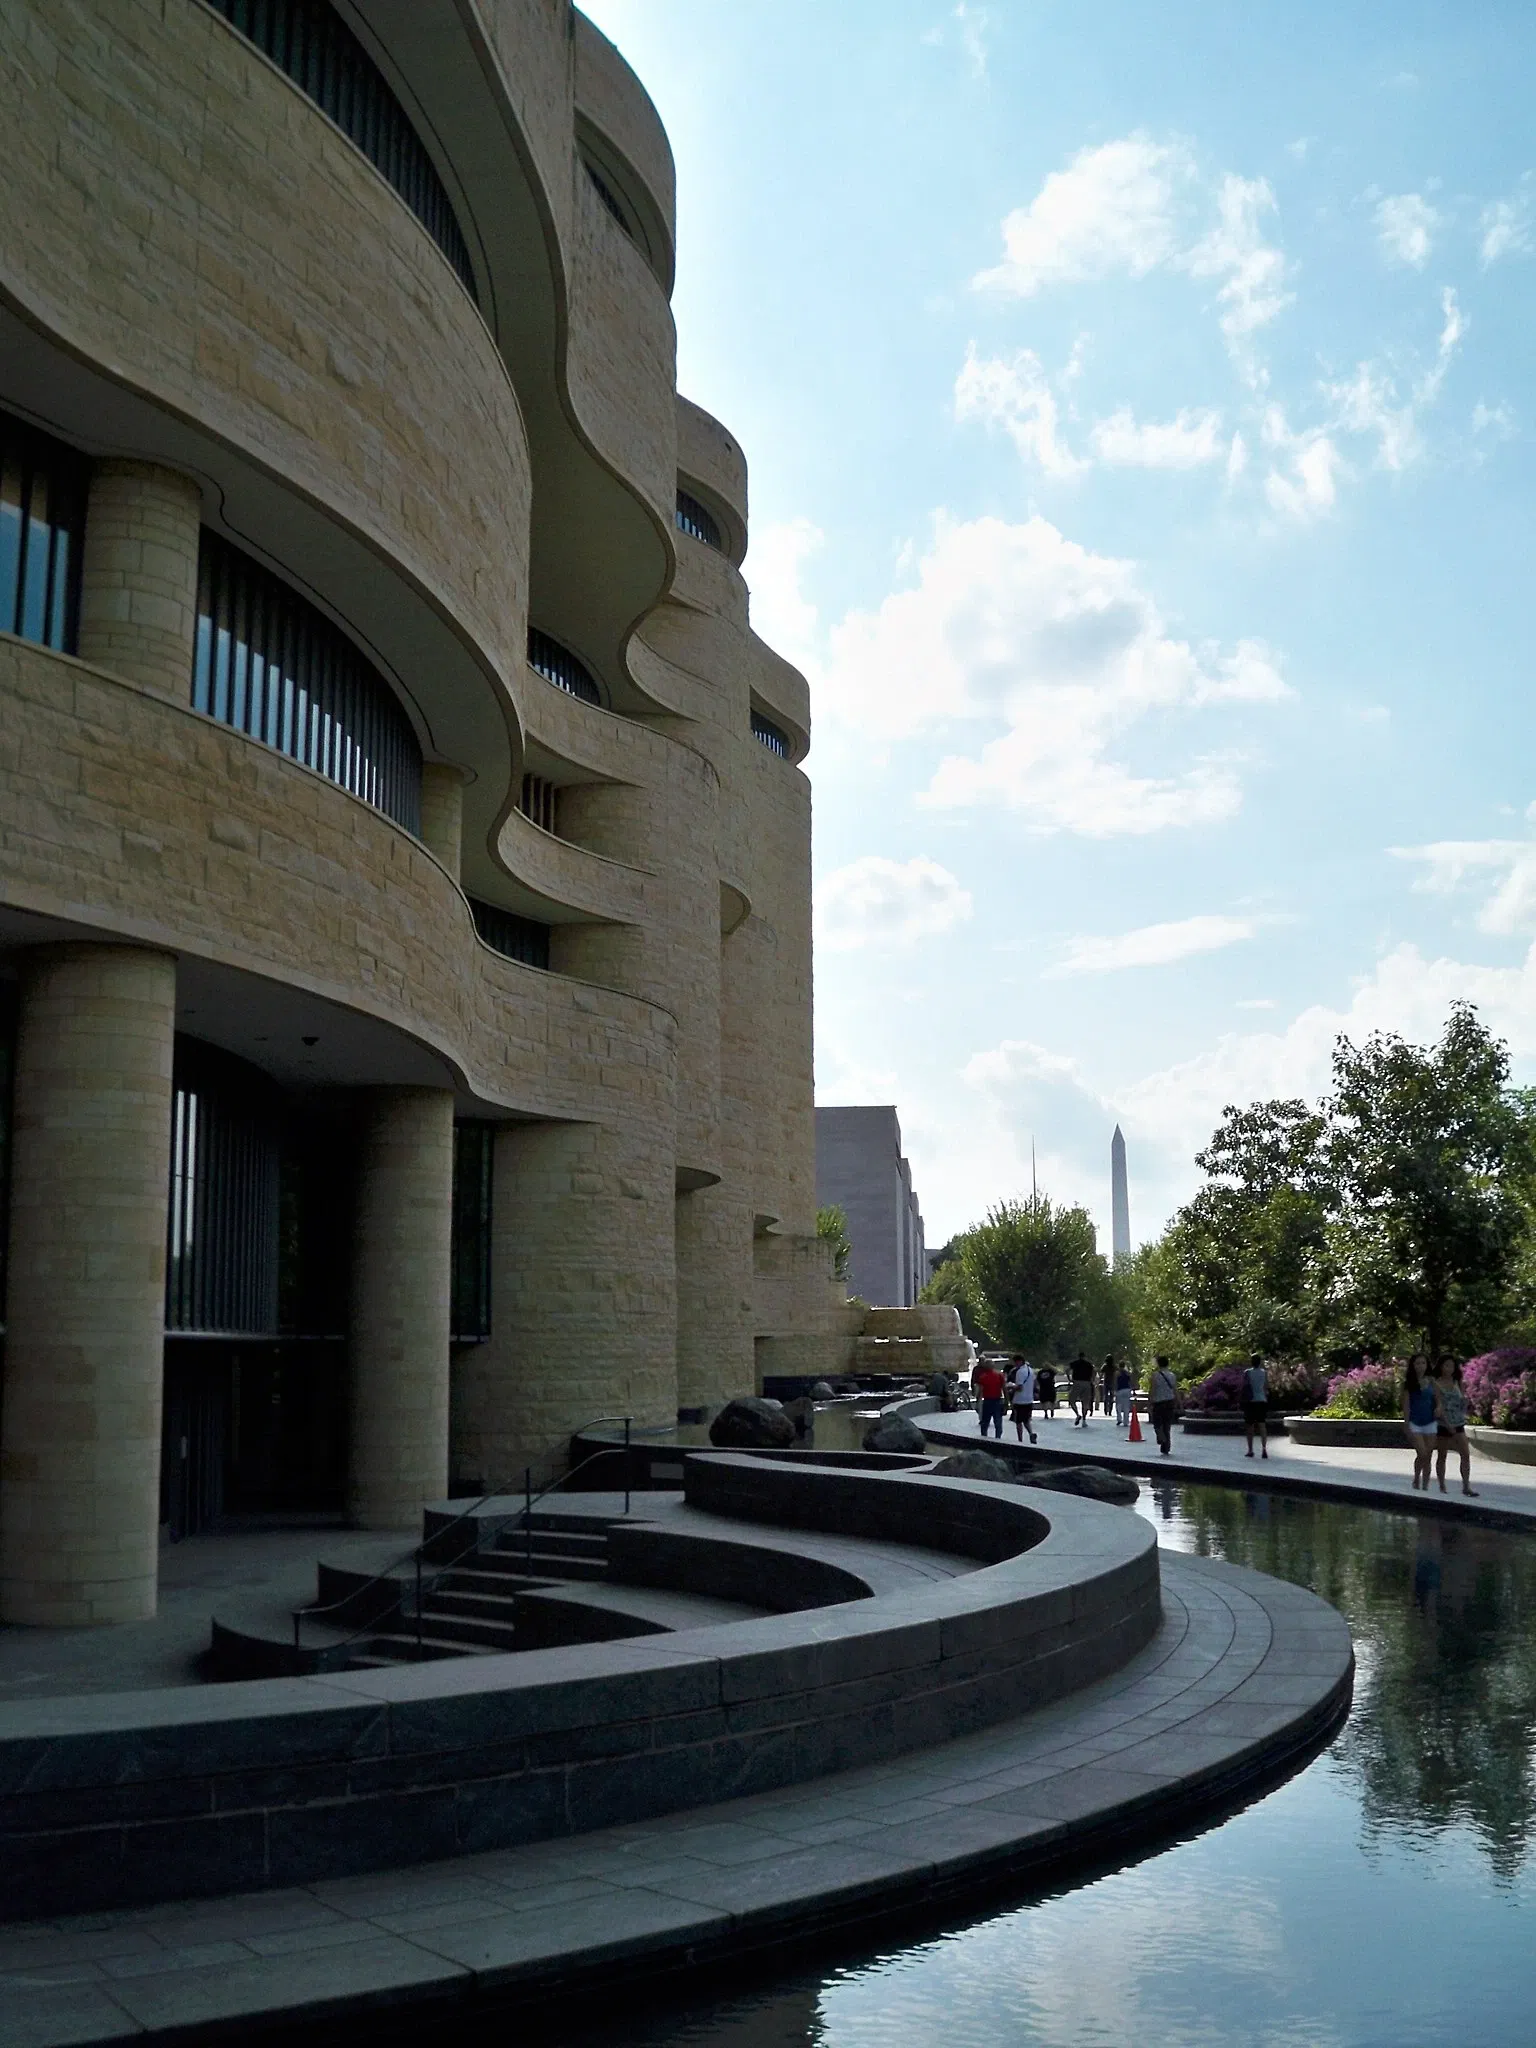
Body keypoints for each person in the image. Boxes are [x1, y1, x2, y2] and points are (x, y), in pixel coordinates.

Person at [1432, 1356, 1478, 1498]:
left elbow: (1462, 1402)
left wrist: (1465, 1406)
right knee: (1442, 1455)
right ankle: (1442, 1485)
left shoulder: (1457, 1382)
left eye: (1451, 1366)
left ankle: (1466, 1486)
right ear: (1441, 1367)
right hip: (1443, 1423)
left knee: (1465, 1453)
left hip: (1458, 1422)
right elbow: (1438, 1406)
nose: (1449, 1369)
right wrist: (1447, 1423)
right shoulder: (1436, 1384)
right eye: (1446, 1366)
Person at [1403, 1353, 1436, 1492]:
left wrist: (1439, 1408)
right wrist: (1406, 1423)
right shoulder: (1408, 1383)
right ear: (1413, 1365)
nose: (1420, 1366)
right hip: (1415, 1422)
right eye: (1417, 1363)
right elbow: (1406, 1404)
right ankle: (1417, 1477)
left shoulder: (1432, 1381)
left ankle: (1425, 1485)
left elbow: (1439, 1400)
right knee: (1422, 1453)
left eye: (1423, 1363)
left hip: (1430, 1421)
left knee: (1428, 1455)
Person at [1241, 1354, 1269, 1461]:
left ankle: (1250, 1450)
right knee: (1262, 1425)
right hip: (1262, 1401)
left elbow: (1244, 1387)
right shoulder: (1264, 1373)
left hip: (1250, 1401)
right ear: (1260, 1362)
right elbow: (1266, 1387)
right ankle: (1264, 1449)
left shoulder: (1247, 1373)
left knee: (1250, 1427)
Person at [1149, 1355, 1179, 1455]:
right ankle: (1166, 1447)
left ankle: (1161, 1438)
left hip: (1158, 1403)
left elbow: (1152, 1390)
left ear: (1158, 1364)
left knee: (1157, 1424)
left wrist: (1149, 1402)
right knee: (1167, 1426)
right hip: (1169, 1402)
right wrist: (1179, 1403)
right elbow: (1175, 1390)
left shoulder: (1155, 1375)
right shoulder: (1172, 1375)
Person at [975, 1355, 1006, 1440]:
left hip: (987, 1401)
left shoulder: (983, 1377)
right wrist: (1007, 1401)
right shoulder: (1000, 1375)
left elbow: (980, 1390)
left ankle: (985, 1438)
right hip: (997, 1401)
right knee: (998, 1422)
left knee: (985, 1423)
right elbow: (1004, 1388)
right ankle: (998, 1438)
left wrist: (977, 1401)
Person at [1010, 1355, 1037, 1443]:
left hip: (1020, 1400)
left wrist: (1011, 1387)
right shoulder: (1030, 1370)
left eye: (1015, 1362)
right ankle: (1031, 1433)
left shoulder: (1020, 1372)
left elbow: (1020, 1387)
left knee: (1018, 1421)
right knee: (1026, 1420)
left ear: (1019, 1361)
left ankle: (1020, 1439)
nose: (1015, 1364)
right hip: (1029, 1399)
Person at [1069, 1353, 1095, 1427]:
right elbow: (1094, 1371)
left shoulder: (1075, 1363)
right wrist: (1092, 1380)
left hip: (1077, 1382)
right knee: (1085, 1402)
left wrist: (1070, 1379)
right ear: (1085, 1357)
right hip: (1087, 1383)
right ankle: (1084, 1420)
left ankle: (1077, 1414)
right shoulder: (1089, 1364)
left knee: (1072, 1400)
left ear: (1078, 1356)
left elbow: (1067, 1370)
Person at [1114, 1362, 1133, 1429]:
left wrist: (1115, 1390)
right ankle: (1126, 1421)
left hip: (1120, 1390)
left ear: (1119, 1366)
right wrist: (1132, 1390)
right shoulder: (1128, 1373)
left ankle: (1119, 1419)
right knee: (1126, 1406)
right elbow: (1130, 1382)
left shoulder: (1117, 1373)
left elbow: (1115, 1382)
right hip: (1127, 1390)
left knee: (1118, 1405)